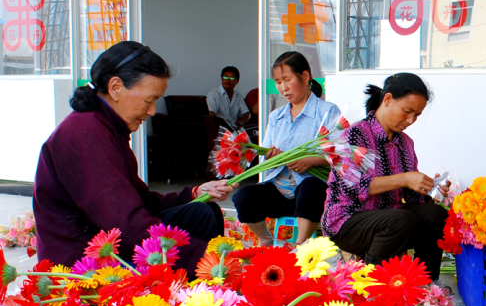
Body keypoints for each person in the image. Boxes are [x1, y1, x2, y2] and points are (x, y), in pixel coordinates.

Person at [34, 41, 232, 274]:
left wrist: (195, 193)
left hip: (108, 238)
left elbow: (140, 200)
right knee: (197, 240)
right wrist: (208, 263)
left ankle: (197, 285)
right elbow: (126, 225)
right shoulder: (85, 134)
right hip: (85, 263)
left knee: (202, 213)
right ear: (116, 87)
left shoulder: (105, 126)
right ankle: (197, 288)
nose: (151, 111)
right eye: (149, 100)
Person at [322, 73, 448, 282]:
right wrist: (405, 179)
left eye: (416, 115)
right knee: (400, 219)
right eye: (407, 112)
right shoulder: (353, 135)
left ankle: (425, 284)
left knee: (435, 214)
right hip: (347, 221)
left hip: (390, 219)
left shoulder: (405, 143)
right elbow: (353, 187)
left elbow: (414, 199)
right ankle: (375, 284)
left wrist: (431, 188)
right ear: (387, 100)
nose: (410, 120)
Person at [232, 52, 339, 246]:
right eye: (278, 82)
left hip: (311, 194)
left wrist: (312, 161)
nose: (283, 88)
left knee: (310, 187)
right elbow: (265, 159)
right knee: (243, 196)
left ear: (305, 77)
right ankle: (265, 238)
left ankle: (299, 244)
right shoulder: (276, 116)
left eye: (287, 80)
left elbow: (340, 153)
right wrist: (271, 157)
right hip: (279, 191)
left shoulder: (327, 111)